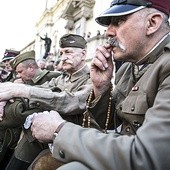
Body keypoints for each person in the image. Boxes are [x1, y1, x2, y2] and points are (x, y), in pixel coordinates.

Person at [26, 0, 170, 170]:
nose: (108, 32)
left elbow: (149, 157)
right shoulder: (127, 69)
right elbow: (109, 127)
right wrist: (101, 88)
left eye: (118, 21)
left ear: (152, 23)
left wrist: (59, 130)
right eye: (109, 24)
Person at [0, 34, 92, 169]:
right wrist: (6, 96)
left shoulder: (92, 80)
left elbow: (70, 102)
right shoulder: (62, 79)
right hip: (38, 137)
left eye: (68, 52)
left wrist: (21, 90)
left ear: (83, 54)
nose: (63, 57)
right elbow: (40, 89)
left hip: (68, 144)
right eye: (61, 53)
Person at [0, 50, 61, 170]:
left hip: (35, 139)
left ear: (31, 68)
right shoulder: (22, 82)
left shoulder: (53, 78)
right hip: (16, 136)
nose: (18, 75)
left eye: (20, 72)